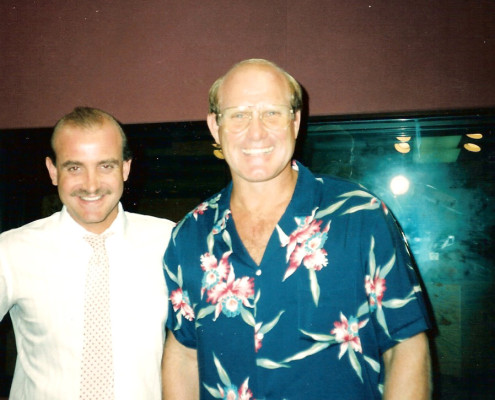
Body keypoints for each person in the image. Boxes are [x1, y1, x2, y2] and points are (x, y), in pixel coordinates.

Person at [162, 59, 432, 399]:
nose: (256, 131)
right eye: (239, 114)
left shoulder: (361, 216)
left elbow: (405, 346)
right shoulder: (190, 234)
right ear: (215, 126)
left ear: (296, 121)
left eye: (272, 113)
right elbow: (184, 354)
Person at [0, 107, 175, 399]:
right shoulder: (11, 250)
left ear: (125, 168)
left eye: (105, 166)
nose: (91, 185)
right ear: (53, 171)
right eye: (74, 167)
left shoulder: (170, 241)